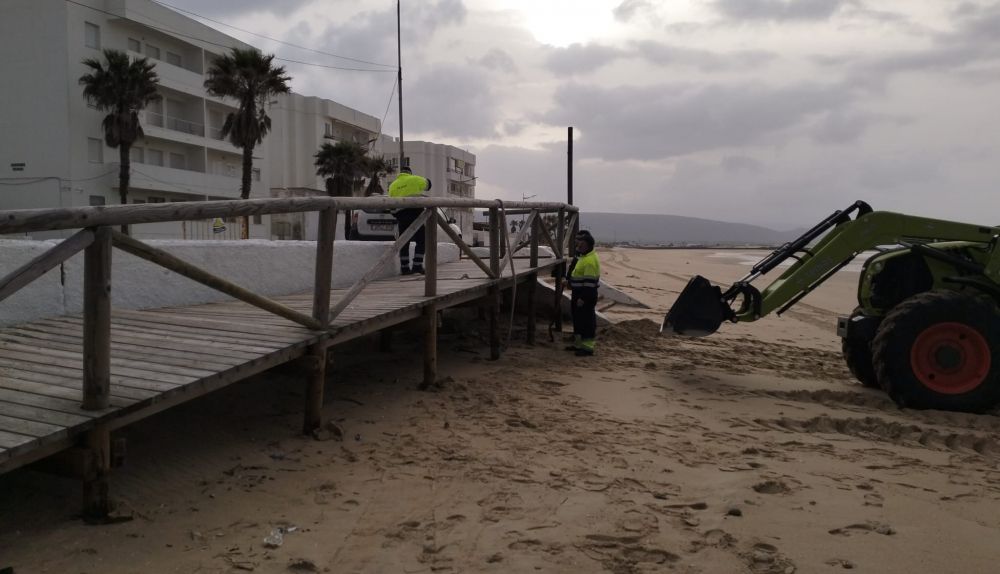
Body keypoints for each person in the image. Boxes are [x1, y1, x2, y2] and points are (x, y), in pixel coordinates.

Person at [388, 166, 432, 275]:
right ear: (410, 173)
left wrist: (396, 215)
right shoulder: (415, 179)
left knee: (403, 241)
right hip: (416, 214)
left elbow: (390, 204)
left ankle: (404, 268)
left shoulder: (393, 185)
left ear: (400, 173)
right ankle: (417, 266)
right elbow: (428, 184)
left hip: (401, 216)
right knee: (421, 240)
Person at [563, 230, 601, 356]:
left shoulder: (589, 260)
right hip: (577, 293)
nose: (578, 245)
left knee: (586, 321)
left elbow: (589, 284)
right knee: (578, 320)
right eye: (577, 242)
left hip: (585, 296)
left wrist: (583, 298)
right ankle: (578, 344)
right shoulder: (582, 256)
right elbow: (574, 271)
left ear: (588, 245)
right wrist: (569, 281)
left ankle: (587, 347)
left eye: (581, 243)